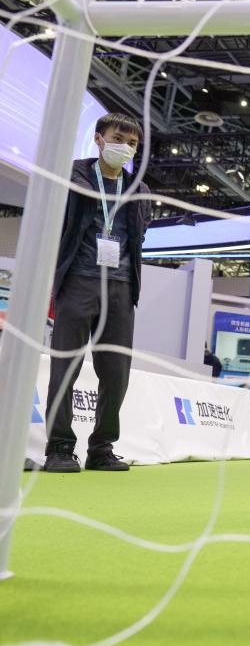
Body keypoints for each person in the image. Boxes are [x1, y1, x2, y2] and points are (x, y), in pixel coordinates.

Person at [43, 113, 150, 473]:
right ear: (99, 139)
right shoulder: (71, 178)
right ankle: (59, 447)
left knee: (116, 373)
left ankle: (102, 448)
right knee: (65, 367)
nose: (125, 147)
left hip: (121, 286)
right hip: (78, 281)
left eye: (132, 143)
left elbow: (138, 236)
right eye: (118, 138)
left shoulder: (138, 190)